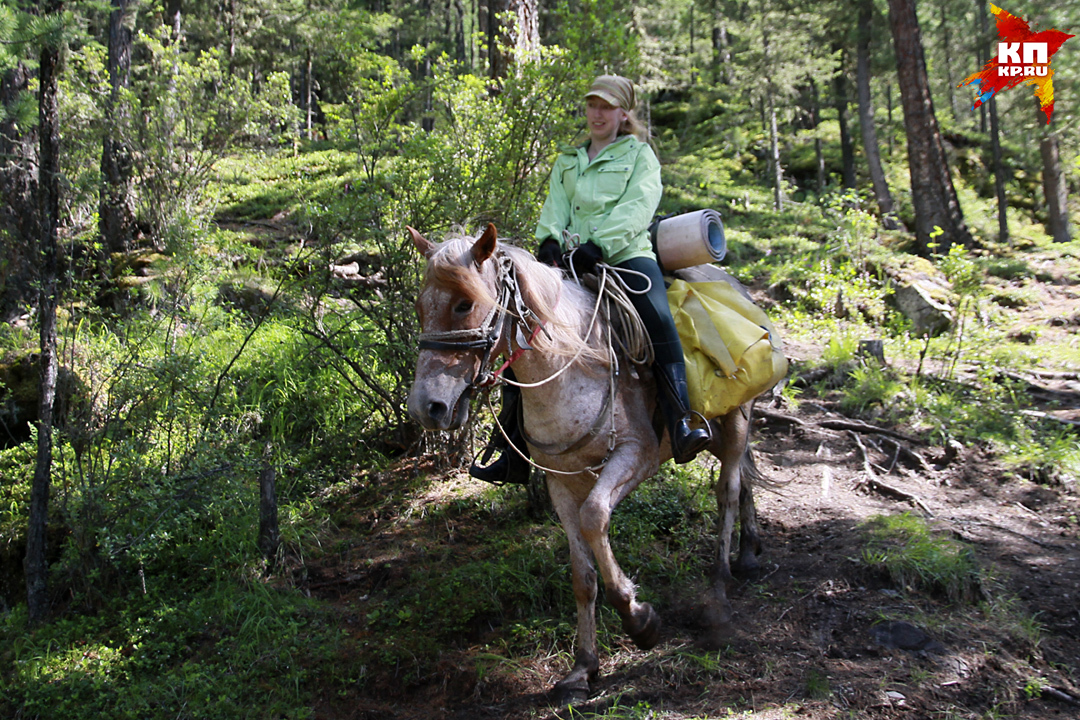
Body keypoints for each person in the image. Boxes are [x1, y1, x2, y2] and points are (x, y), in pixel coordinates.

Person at [470, 74, 711, 485]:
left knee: (658, 320)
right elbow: (555, 205)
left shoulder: (639, 156)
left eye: (607, 106)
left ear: (623, 113)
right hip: (567, 262)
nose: (597, 113)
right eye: (592, 105)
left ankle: (682, 421)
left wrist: (598, 245)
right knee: (520, 329)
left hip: (626, 257)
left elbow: (638, 206)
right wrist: (547, 242)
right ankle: (511, 447)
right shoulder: (568, 159)